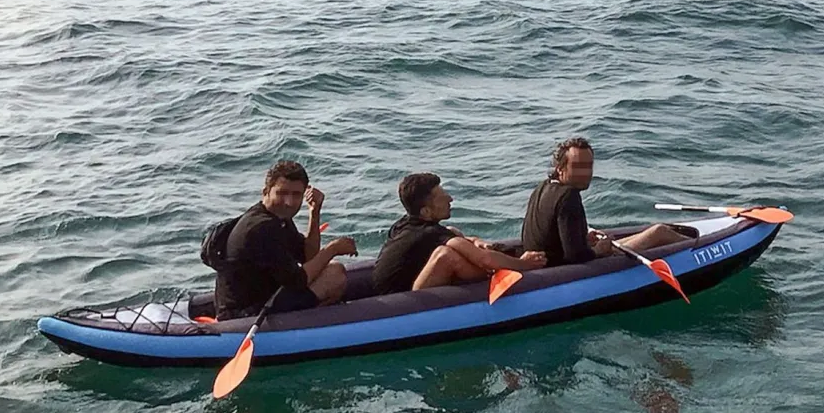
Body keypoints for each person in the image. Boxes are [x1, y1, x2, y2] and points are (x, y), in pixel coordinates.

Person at [214, 160, 357, 320]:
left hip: (266, 295)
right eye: (282, 193)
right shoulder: (261, 228)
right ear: (265, 192)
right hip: (247, 314)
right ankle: (311, 325)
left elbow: (308, 256)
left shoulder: (277, 217)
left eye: (296, 195)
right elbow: (298, 280)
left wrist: (314, 211)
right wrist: (333, 249)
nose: (289, 202)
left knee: (331, 268)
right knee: (334, 276)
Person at [519, 137, 689, 266]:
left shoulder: (543, 187)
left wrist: (582, 239)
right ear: (560, 169)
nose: (586, 173)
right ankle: (699, 251)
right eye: (578, 166)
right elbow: (575, 257)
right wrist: (598, 251)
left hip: (554, 261)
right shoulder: (568, 196)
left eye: (589, 165)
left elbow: (551, 237)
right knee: (659, 232)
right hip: (563, 269)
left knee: (654, 233)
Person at [373, 172, 546, 294]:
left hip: (394, 288)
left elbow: (450, 235)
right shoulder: (429, 233)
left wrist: (474, 240)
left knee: (451, 233)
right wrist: (524, 264)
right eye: (442, 197)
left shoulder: (403, 224)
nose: (450, 199)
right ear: (425, 212)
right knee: (446, 255)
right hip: (400, 301)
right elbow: (484, 258)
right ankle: (490, 275)